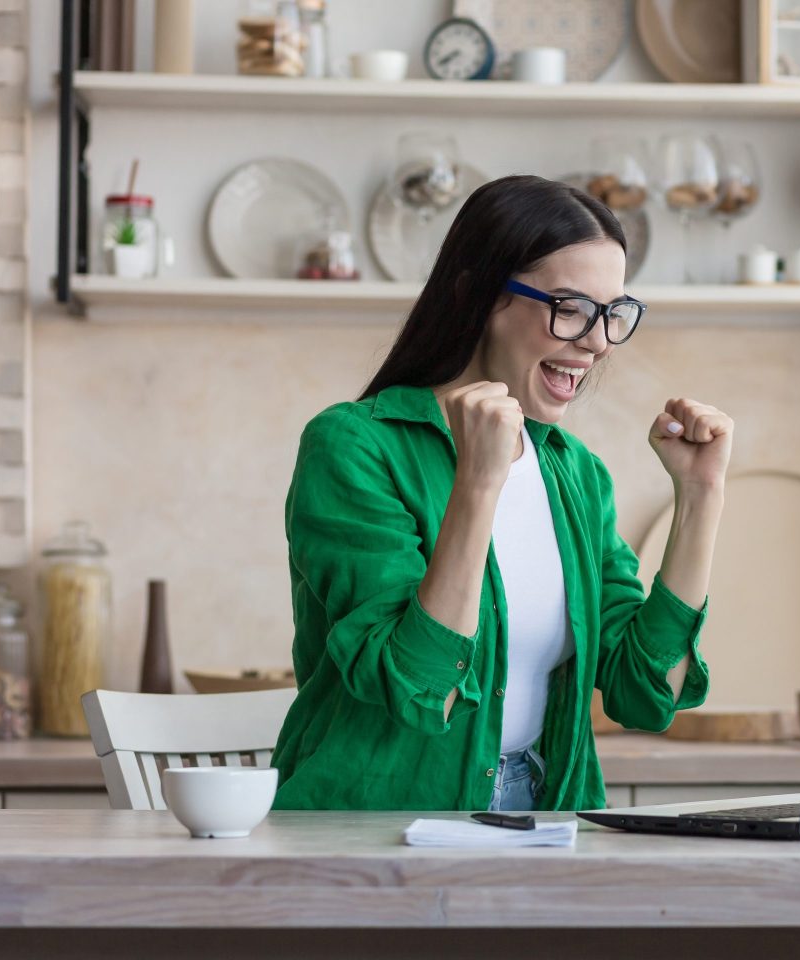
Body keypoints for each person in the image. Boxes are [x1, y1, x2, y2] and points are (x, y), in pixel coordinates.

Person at [270, 175, 734, 811]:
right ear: (479, 296)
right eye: (569, 308)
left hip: (545, 815)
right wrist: (479, 481)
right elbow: (417, 685)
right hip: (375, 825)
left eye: (612, 314)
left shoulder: (576, 473)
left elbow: (646, 691)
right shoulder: (353, 446)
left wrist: (701, 494)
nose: (597, 342)